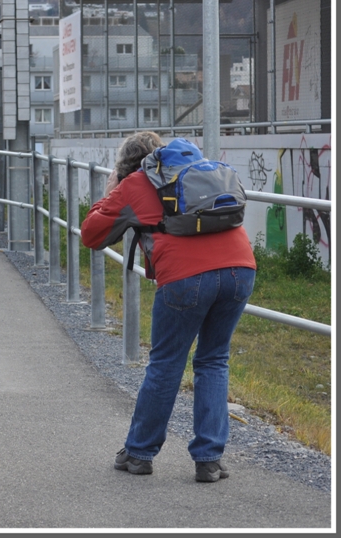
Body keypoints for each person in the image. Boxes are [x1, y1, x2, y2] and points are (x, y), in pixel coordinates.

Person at [80, 132, 257, 483]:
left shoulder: (134, 183)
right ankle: (209, 459)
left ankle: (139, 453)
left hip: (186, 279)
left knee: (165, 363)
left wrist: (111, 190)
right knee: (213, 359)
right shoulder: (198, 168)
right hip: (241, 269)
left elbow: (92, 234)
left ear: (129, 165)